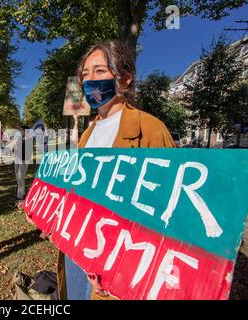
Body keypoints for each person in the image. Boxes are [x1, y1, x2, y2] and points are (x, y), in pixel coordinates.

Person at [27, 40, 177, 300]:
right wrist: (52, 217)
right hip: (77, 254)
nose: (89, 81)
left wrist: (124, 276)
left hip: (118, 266)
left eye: (99, 71)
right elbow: (81, 194)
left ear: (125, 79)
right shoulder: (87, 135)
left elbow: (167, 217)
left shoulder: (151, 130)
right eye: (85, 75)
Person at [14, 125, 33, 202]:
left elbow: (28, 151)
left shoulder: (29, 139)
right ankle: (22, 192)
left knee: (20, 177)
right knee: (18, 176)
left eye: (21, 130)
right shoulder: (19, 138)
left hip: (24, 160)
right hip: (17, 159)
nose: (20, 131)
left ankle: (20, 195)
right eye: (19, 130)